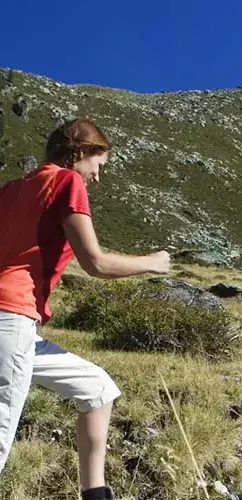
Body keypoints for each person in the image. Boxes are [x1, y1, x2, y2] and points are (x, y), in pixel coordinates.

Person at [0, 119, 171, 500]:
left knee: (97, 390)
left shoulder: (12, 189)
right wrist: (153, 263)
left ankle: (95, 495)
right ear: (80, 152)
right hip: (10, 318)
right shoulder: (66, 181)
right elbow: (96, 263)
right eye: (98, 164)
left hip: (16, 327)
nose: (97, 176)